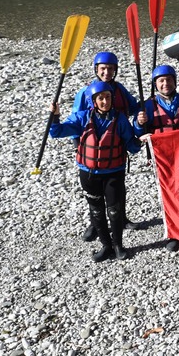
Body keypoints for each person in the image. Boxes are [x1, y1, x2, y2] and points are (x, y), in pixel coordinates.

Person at [49, 81, 141, 262]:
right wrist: (55, 117)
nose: (105, 101)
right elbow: (57, 132)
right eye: (100, 98)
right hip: (89, 173)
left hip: (114, 172)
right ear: (93, 101)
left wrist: (141, 139)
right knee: (96, 211)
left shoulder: (120, 119)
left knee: (114, 210)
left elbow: (131, 144)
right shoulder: (82, 118)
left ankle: (118, 246)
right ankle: (106, 246)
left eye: (108, 97)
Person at [73, 51, 144, 242]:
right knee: (94, 193)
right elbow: (75, 120)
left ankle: (121, 219)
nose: (107, 72)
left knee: (117, 189)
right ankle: (96, 224)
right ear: (96, 69)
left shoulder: (119, 90)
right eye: (103, 68)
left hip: (117, 141)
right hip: (93, 147)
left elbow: (135, 107)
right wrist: (76, 144)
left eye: (111, 68)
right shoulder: (86, 91)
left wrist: (140, 115)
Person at [134, 65, 179, 253]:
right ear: (155, 84)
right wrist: (140, 124)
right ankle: (175, 233)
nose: (165, 84)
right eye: (161, 81)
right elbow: (137, 132)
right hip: (164, 159)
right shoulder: (147, 105)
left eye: (169, 80)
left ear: (174, 81)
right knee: (169, 195)